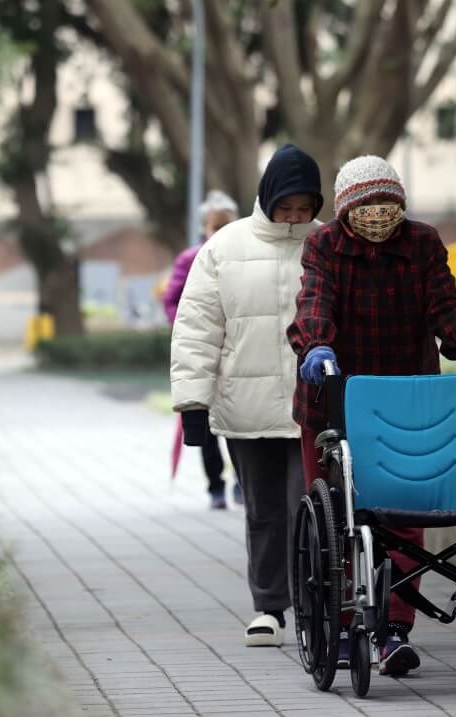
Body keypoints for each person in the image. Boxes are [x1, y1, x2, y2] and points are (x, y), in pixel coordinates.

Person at [287, 154, 456, 677]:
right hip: (336, 395)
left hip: (408, 401)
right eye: (367, 205)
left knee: (405, 516)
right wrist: (315, 346)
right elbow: (315, 303)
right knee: (340, 519)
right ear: (344, 209)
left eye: (388, 204)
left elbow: (444, 301)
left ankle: (394, 627)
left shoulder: (422, 243)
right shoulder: (324, 245)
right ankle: (337, 622)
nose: (378, 214)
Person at [171, 144, 323, 647]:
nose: (295, 217)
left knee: (313, 507)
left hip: (315, 409)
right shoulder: (224, 247)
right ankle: (269, 608)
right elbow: (197, 329)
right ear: (267, 199)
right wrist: (193, 405)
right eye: (286, 208)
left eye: (304, 208)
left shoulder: (328, 244)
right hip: (247, 406)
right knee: (263, 511)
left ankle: (314, 603)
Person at [164, 190, 241, 510]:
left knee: (242, 422)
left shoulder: (245, 255)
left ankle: (242, 482)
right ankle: (215, 486)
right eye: (215, 226)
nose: (221, 232)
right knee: (205, 426)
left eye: (228, 224)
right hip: (205, 353)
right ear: (204, 228)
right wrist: (187, 332)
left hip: (238, 353)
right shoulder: (190, 258)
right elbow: (172, 301)